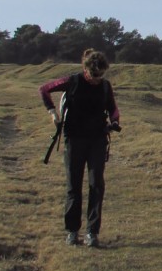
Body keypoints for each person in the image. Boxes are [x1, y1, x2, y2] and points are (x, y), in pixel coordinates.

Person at [39, 49, 120, 248]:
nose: (96, 79)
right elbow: (45, 89)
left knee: (96, 185)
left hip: (97, 140)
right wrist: (52, 113)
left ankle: (92, 232)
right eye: (94, 75)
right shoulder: (73, 81)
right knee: (73, 186)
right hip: (74, 139)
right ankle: (72, 231)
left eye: (101, 76)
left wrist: (115, 121)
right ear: (85, 70)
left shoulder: (105, 86)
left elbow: (113, 108)